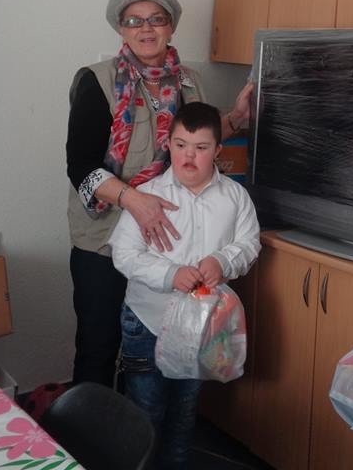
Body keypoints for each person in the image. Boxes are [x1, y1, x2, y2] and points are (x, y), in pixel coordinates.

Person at [65, 0, 252, 388]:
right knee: (99, 345)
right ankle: (89, 428)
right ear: (121, 28)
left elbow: (194, 136)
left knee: (162, 344)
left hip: (164, 245)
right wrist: (135, 200)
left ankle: (144, 423)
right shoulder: (97, 80)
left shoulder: (189, 81)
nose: (146, 28)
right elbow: (80, 167)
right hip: (102, 238)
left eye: (156, 19)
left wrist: (236, 118)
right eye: (134, 20)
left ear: (171, 26)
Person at [109, 101, 260, 469]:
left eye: (201, 147)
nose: (188, 156)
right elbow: (123, 254)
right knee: (146, 411)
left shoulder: (235, 197)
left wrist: (222, 261)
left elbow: (249, 243)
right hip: (147, 321)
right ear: (169, 145)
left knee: (184, 411)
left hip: (201, 328)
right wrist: (170, 274)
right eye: (180, 145)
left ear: (218, 150)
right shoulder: (148, 195)